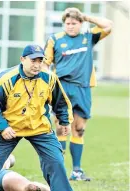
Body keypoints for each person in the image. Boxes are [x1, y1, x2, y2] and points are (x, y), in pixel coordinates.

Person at [0, 44, 85, 191]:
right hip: (11, 128)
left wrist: (65, 120)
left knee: (56, 162)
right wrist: (2, 128)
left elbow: (61, 101)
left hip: (40, 127)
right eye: (33, 60)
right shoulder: (7, 79)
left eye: (40, 60)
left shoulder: (49, 78)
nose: (37, 65)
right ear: (22, 60)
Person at [43, 8, 113, 181]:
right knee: (61, 127)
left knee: (79, 129)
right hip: (62, 87)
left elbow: (108, 26)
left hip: (83, 88)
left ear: (80, 24)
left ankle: (77, 170)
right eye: (68, 23)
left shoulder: (88, 37)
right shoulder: (55, 40)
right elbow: (45, 63)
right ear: (64, 24)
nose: (71, 27)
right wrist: (48, 83)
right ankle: (59, 169)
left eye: (74, 23)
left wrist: (87, 17)